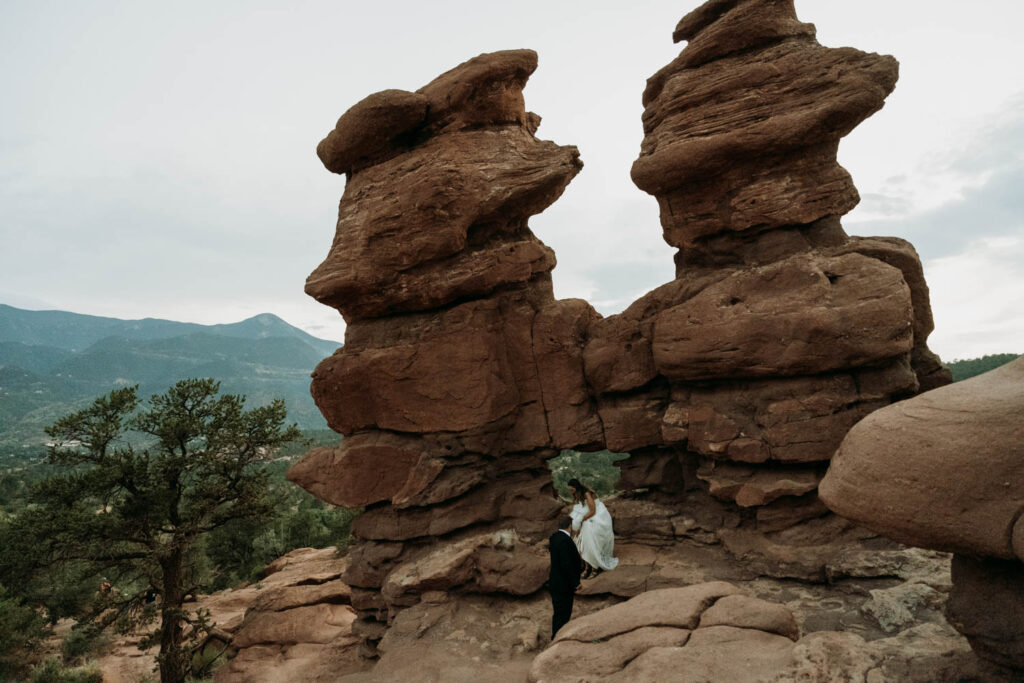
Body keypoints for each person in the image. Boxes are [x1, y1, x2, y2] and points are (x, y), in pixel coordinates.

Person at [566, 477, 619, 578]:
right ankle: (587, 566)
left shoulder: (587, 493)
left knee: (588, 533)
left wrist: (581, 519)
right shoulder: (577, 494)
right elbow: (579, 509)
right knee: (581, 536)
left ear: (576, 487)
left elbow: (593, 511)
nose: (570, 491)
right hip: (589, 516)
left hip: (599, 517)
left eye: (571, 489)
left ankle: (594, 567)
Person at [548, 515, 582, 638]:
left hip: (556, 582)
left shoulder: (555, 537)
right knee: (563, 615)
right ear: (570, 526)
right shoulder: (565, 540)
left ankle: (556, 637)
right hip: (563, 585)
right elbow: (566, 564)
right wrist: (576, 583)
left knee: (559, 613)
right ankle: (557, 639)